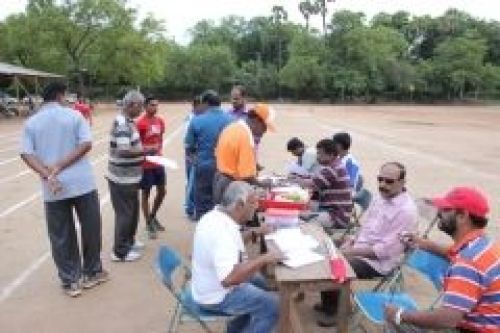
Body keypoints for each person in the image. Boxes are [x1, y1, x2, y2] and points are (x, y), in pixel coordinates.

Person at [20, 81, 107, 297]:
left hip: (52, 187)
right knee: (90, 228)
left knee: (60, 234)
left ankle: (70, 280)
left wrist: (47, 173)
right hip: (82, 183)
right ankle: (92, 272)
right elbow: (86, 144)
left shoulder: (32, 123)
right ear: (61, 95)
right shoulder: (75, 116)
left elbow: (26, 153)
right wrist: (60, 165)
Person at [385, 186, 500, 332]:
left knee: (397, 321)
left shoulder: (467, 263)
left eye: (445, 210)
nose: (439, 213)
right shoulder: (483, 244)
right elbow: (452, 251)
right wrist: (423, 243)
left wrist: (400, 314)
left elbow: (447, 319)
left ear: (462, 216)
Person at [316, 162, 418, 327]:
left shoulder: (406, 211)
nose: (383, 185)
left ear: (402, 182)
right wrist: (351, 240)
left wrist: (352, 252)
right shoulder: (379, 198)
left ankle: (337, 312)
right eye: (380, 179)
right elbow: (366, 227)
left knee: (336, 263)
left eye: (389, 181)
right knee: (324, 246)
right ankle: (330, 304)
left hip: (379, 263)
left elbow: (385, 251)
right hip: (361, 249)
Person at [191, 181, 283, 333]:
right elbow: (229, 279)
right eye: (253, 203)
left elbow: (235, 240)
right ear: (240, 205)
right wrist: (265, 258)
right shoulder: (222, 232)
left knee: (260, 282)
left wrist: (257, 231)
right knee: (273, 306)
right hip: (216, 296)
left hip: (207, 285)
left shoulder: (215, 215)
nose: (257, 207)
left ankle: (236, 328)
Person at [107, 90, 147, 262]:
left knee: (132, 212)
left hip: (129, 177)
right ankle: (120, 251)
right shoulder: (123, 124)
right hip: (122, 178)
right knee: (125, 214)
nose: (142, 110)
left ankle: (128, 241)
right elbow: (124, 151)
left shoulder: (128, 121)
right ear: (132, 105)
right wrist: (145, 152)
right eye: (141, 106)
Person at [184, 90, 233, 220]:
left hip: (204, 167)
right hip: (225, 170)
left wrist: (196, 161)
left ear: (205, 103)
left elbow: (189, 147)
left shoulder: (196, 121)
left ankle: (204, 233)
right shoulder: (231, 121)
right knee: (223, 205)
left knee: (203, 207)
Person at [213, 103, 275, 204]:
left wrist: (252, 163)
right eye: (265, 127)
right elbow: (247, 176)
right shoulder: (245, 137)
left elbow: (233, 157)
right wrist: (262, 184)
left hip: (220, 180)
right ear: (257, 121)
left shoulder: (233, 127)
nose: (265, 131)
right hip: (231, 186)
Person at [294, 138, 352, 230]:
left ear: (331, 155)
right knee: (302, 213)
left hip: (336, 215)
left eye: (320, 153)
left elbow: (312, 184)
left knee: (306, 225)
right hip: (335, 211)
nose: (317, 156)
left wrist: (294, 180)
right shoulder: (335, 165)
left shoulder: (333, 169)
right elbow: (315, 178)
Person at [135, 96, 166, 239]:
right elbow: (136, 145)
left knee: (162, 191)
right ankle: (148, 223)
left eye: (156, 105)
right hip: (145, 164)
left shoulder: (160, 121)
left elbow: (160, 139)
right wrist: (147, 149)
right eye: (152, 105)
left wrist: (158, 151)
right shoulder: (140, 123)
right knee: (146, 194)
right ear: (146, 106)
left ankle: (153, 216)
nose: (155, 107)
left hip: (158, 162)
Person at [332, 132, 371, 211]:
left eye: (333, 143)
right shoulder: (338, 159)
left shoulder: (350, 162)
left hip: (344, 197)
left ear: (339, 145)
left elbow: (349, 184)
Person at [184, 95, 203, 219]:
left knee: (196, 181)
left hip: (198, 154)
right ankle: (190, 207)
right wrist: (191, 156)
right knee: (192, 182)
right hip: (192, 154)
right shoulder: (191, 119)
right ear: (195, 106)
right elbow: (188, 141)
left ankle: (193, 206)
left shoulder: (199, 118)